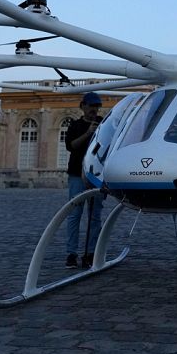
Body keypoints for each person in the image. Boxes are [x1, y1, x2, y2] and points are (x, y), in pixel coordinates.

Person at [65, 92, 105, 268]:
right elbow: (71, 146)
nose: (94, 110)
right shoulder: (75, 125)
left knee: (95, 216)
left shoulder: (104, 123)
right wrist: (89, 133)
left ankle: (90, 253)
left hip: (97, 175)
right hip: (76, 174)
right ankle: (71, 253)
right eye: (91, 106)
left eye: (97, 106)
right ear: (83, 106)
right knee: (75, 214)